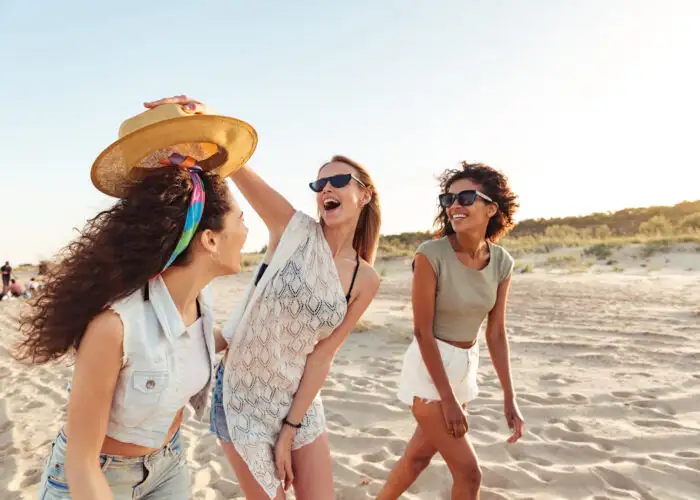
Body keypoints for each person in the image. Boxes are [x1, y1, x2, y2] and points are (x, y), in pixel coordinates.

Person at [143, 97, 382, 499]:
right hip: (240, 398)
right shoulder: (292, 231)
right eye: (319, 183)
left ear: (365, 195)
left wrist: (290, 428)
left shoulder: (365, 278)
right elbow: (234, 166)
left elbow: (323, 356)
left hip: (299, 404)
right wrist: (204, 119)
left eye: (339, 181)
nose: (326, 188)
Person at [15, 102, 257, 499]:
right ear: (210, 240)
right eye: (241, 220)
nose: (247, 232)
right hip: (98, 477)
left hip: (170, 464)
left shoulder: (199, 300)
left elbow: (191, 341)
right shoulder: (114, 327)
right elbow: (81, 461)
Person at [377, 162, 525, 500]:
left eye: (466, 197)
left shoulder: (502, 262)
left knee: (417, 458)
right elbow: (421, 331)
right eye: (449, 199)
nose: (455, 205)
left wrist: (509, 396)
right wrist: (448, 400)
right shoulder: (431, 254)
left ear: (491, 207)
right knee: (470, 473)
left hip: (465, 366)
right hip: (431, 369)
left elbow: (496, 334)